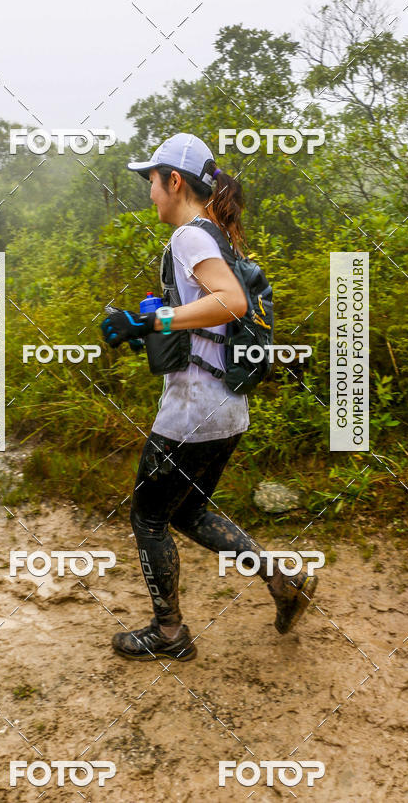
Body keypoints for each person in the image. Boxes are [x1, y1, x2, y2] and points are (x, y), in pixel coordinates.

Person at [100, 133, 317, 662]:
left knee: (149, 516)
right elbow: (212, 312)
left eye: (151, 181)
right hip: (227, 408)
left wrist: (155, 318)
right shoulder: (219, 235)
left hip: (193, 411)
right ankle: (283, 580)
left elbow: (231, 301)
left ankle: (169, 633)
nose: (149, 193)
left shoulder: (189, 238)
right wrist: (150, 323)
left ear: (174, 181)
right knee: (189, 511)